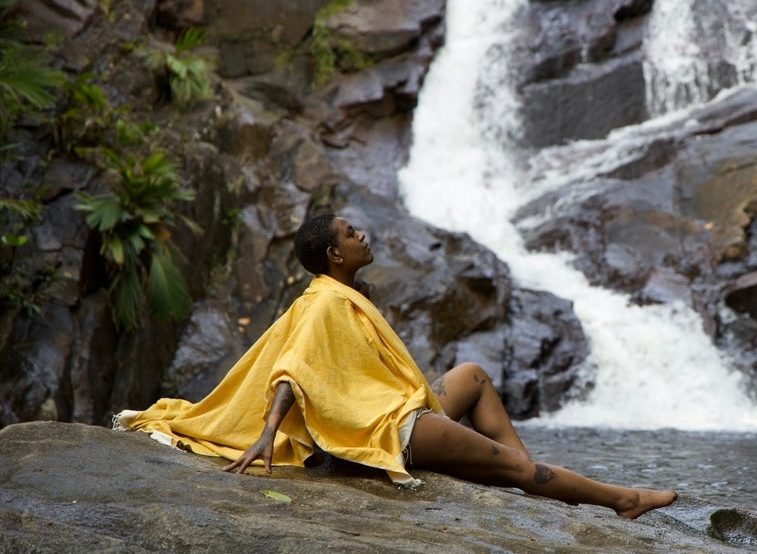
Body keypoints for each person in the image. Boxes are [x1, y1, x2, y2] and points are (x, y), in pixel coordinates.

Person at [114, 213, 677, 520]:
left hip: (392, 406)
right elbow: (291, 368)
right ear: (335, 254)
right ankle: (620, 499)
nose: (363, 235)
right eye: (352, 234)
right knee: (506, 461)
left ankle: (521, 481)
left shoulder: (338, 292)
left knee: (473, 376)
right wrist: (266, 435)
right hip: (382, 426)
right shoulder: (326, 302)